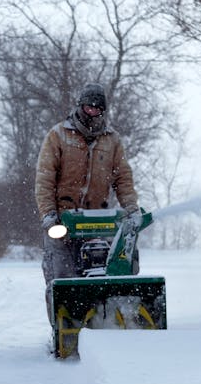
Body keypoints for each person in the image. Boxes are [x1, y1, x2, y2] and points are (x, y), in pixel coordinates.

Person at [35, 83, 141, 294]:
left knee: (123, 259)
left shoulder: (112, 140)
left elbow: (123, 178)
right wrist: (49, 214)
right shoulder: (58, 135)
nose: (92, 111)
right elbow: (45, 178)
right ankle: (66, 315)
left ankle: (121, 303)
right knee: (61, 274)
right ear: (80, 106)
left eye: (97, 108)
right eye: (88, 107)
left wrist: (131, 207)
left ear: (103, 110)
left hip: (99, 218)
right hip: (64, 220)